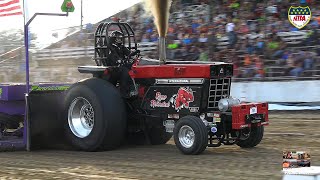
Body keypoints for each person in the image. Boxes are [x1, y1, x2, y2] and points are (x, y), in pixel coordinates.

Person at [108, 30, 139, 98]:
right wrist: (119, 60)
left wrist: (134, 55)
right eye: (118, 38)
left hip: (122, 65)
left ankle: (134, 87)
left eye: (121, 38)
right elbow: (113, 56)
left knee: (133, 68)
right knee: (125, 71)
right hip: (114, 67)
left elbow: (129, 53)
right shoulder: (111, 48)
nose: (120, 40)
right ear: (114, 39)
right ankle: (124, 92)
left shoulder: (121, 47)